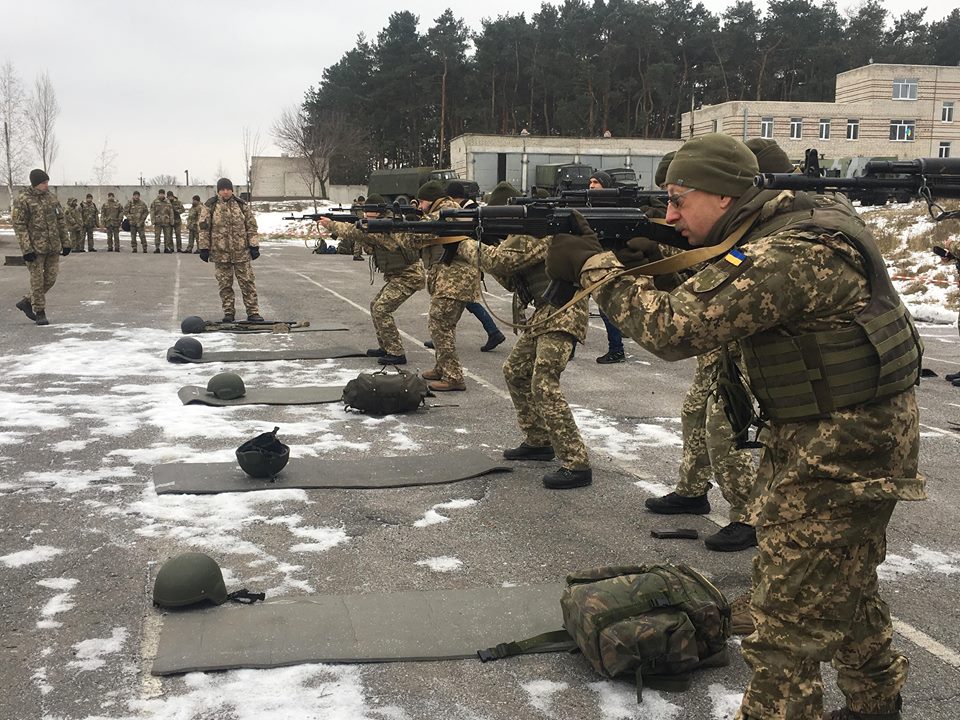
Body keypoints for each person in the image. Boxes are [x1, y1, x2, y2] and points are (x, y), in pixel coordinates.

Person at [546, 133, 923, 720]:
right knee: (845, 580)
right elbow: (729, 290)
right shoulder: (777, 227)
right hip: (835, 435)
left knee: (783, 621)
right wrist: (666, 259)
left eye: (678, 199)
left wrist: (598, 267)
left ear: (724, 197)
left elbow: (678, 330)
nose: (668, 213)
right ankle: (876, 704)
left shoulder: (794, 252)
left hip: (841, 449)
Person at [461, 181, 592, 489]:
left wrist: (466, 244)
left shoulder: (536, 232)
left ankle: (577, 463)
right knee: (515, 371)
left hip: (563, 311)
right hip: (545, 313)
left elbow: (499, 260)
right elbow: (510, 277)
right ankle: (539, 440)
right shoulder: (521, 236)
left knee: (544, 382)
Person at [322, 193, 425, 365]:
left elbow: (355, 233)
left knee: (381, 309)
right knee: (375, 306)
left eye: (370, 212)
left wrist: (331, 225)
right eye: (366, 212)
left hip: (409, 276)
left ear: (380, 213)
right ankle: (385, 346)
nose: (367, 215)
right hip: (398, 276)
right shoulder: (376, 225)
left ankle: (396, 353)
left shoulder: (386, 227)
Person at [413, 180, 480, 392]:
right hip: (453, 280)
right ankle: (442, 368)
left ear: (431, 201)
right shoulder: (448, 209)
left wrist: (406, 224)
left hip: (455, 281)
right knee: (445, 326)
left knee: (439, 324)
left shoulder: (445, 210)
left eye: (422, 202)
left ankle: (453, 377)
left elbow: (421, 232)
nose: (420, 206)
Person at [442, 180, 507, 353]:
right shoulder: (470, 209)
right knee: (463, 301)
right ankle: (443, 335)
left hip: (470, 261)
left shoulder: (470, 211)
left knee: (461, 300)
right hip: (470, 261)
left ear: (454, 197)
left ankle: (492, 332)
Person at [197, 178, 262, 322]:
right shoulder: (210, 206)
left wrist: (254, 245)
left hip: (241, 253)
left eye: (228, 189)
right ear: (218, 190)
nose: (225, 192)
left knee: (248, 283)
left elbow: (251, 226)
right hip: (221, 254)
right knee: (225, 285)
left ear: (232, 190)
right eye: (222, 189)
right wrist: (204, 248)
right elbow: (203, 229)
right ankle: (228, 313)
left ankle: (253, 312)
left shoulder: (241, 205)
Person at [12, 169, 69, 326]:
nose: (46, 185)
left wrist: (66, 242)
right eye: (44, 183)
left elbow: (61, 221)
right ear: (35, 183)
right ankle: (40, 312)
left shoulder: (51, 198)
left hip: (52, 246)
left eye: (47, 182)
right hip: (35, 248)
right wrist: (26, 249)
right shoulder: (23, 200)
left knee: (50, 279)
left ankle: (27, 301)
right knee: (37, 281)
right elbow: (19, 226)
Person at [587, 171, 626, 364]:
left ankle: (617, 349)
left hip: (608, 262)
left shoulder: (614, 207)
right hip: (590, 260)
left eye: (596, 182)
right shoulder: (589, 205)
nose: (592, 185)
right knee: (574, 303)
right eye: (590, 182)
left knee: (605, 308)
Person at [150, 189, 174, 253]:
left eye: (163, 194)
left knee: (167, 236)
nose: (161, 195)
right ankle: (157, 248)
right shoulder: (155, 202)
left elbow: (171, 212)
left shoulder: (168, 202)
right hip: (158, 221)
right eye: (160, 194)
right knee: (157, 235)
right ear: (158, 194)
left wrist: (172, 221)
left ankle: (166, 248)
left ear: (164, 194)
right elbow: (152, 211)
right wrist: (153, 220)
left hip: (166, 221)